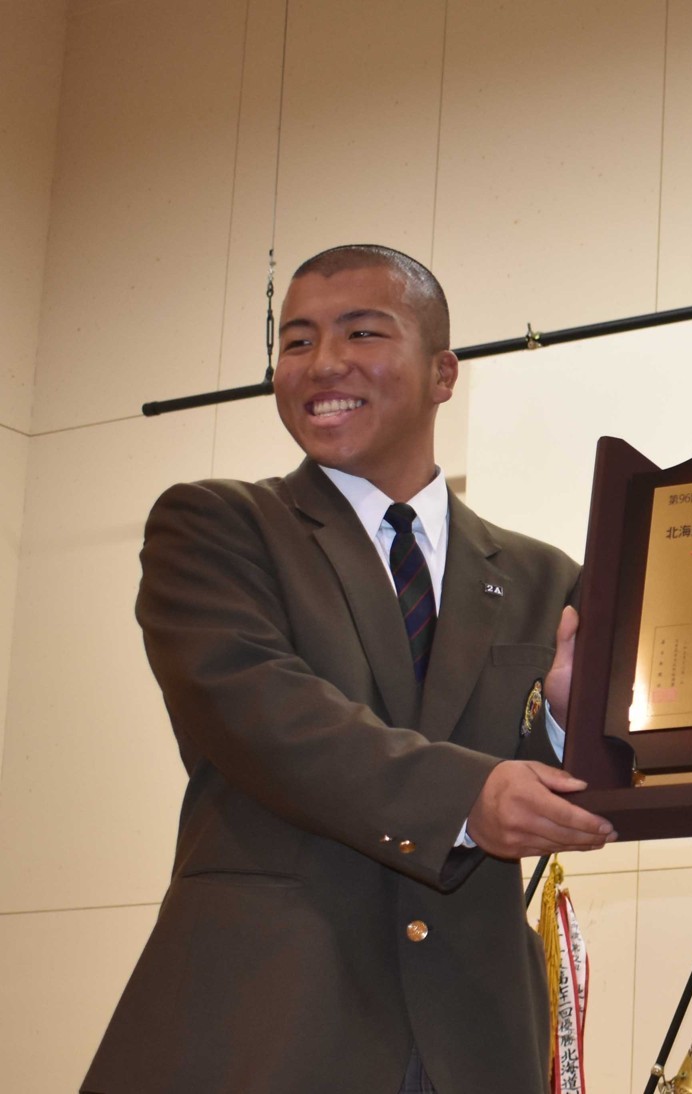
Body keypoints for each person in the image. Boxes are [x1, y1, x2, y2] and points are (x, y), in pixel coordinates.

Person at [84, 244, 615, 1093]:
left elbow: (563, 789)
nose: (323, 363)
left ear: (443, 373)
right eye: (296, 341)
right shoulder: (217, 526)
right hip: (265, 1027)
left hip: (474, 1042)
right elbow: (265, 714)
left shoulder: (545, 579)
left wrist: (561, 724)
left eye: (361, 332)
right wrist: (467, 797)